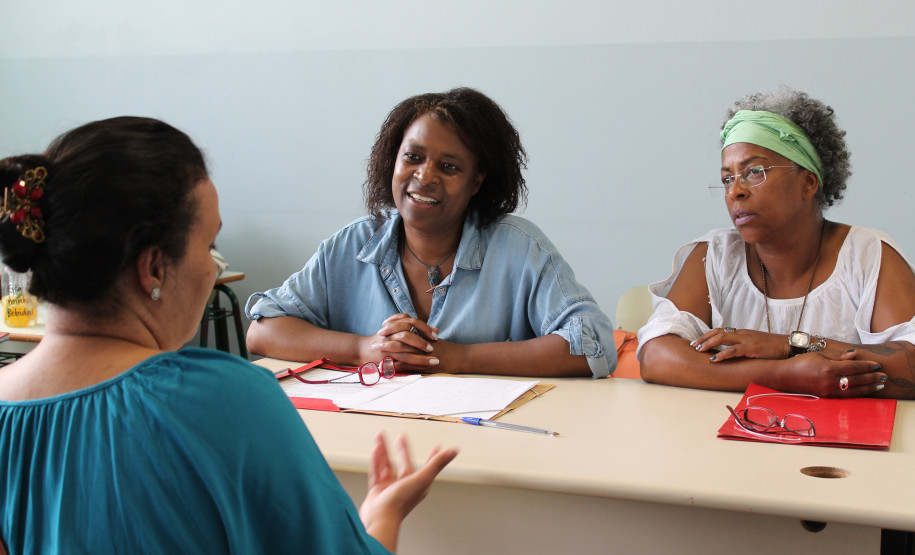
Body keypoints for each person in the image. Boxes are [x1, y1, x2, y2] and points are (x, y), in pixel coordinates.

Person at [0, 117, 456, 554]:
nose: (212, 268)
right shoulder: (218, 398)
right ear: (154, 267)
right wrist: (383, 516)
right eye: (210, 245)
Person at [245, 87, 615, 378]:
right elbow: (263, 332)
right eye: (413, 157)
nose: (424, 176)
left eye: (449, 166)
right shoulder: (353, 244)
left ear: (477, 181)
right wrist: (363, 349)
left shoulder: (518, 247)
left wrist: (458, 356)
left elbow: (593, 344)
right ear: (393, 160)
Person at [638, 88, 915, 399]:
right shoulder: (716, 255)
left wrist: (790, 344)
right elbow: (655, 356)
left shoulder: (866, 254)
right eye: (728, 178)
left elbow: (911, 364)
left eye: (754, 172)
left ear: (808, 182)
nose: (735, 192)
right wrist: (784, 374)